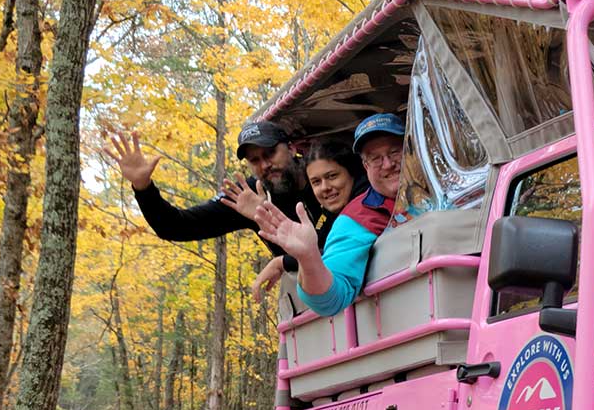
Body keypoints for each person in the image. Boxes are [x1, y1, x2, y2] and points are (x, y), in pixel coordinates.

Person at [252, 114, 412, 317]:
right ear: (364, 166)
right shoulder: (356, 220)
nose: (388, 164)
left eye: (395, 152)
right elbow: (330, 298)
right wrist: (307, 258)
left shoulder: (449, 184)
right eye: (375, 158)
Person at [106, 122, 321, 263]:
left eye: (271, 153)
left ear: (292, 149)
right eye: (255, 160)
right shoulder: (246, 196)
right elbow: (174, 226)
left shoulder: (325, 172)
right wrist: (143, 188)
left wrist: (282, 261)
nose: (265, 165)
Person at [231, 143, 367, 302]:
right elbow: (311, 250)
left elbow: (335, 251)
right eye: (316, 182)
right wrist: (269, 223)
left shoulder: (366, 203)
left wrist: (282, 263)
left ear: (351, 173)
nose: (325, 187)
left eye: (332, 176)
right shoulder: (327, 214)